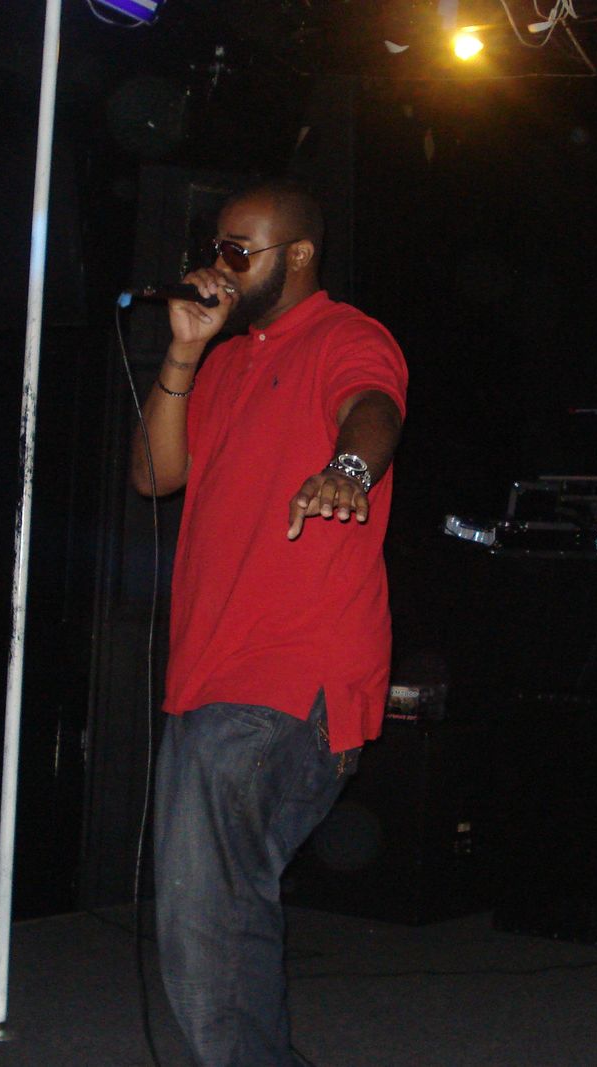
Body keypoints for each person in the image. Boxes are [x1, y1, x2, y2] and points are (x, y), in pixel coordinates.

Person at [130, 179, 406, 1066]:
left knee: (206, 921)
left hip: (287, 674)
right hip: (209, 674)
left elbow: (374, 408)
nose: (219, 265)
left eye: (239, 251)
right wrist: (184, 353)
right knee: (223, 912)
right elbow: (153, 475)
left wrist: (349, 472)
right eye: (216, 248)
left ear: (299, 255)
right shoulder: (224, 361)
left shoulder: (346, 335)